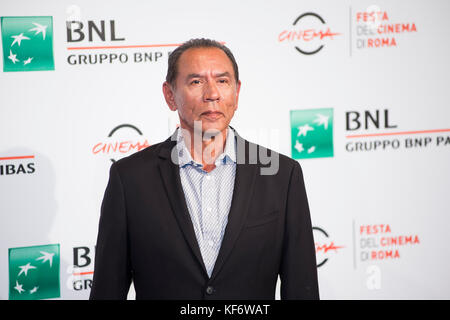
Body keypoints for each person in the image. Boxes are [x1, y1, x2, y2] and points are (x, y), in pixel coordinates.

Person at [89, 38, 319, 300]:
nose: (212, 94)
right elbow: (107, 290)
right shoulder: (129, 178)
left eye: (222, 81)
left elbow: (302, 288)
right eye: (196, 82)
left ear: (237, 91)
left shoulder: (281, 174)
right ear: (169, 95)